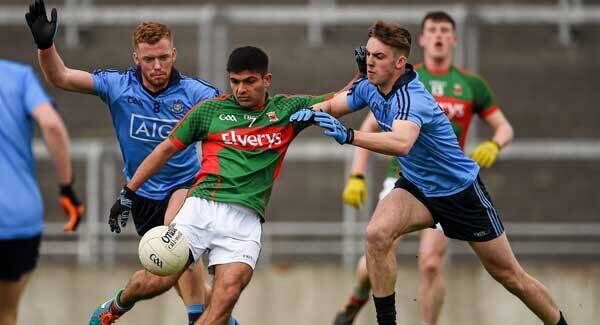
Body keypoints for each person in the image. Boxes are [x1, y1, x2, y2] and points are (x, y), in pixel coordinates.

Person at [290, 20, 567, 325]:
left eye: (379, 57)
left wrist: (349, 136)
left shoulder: (413, 97)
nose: (369, 62)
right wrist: (292, 118)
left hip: (459, 192)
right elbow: (333, 104)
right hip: (417, 187)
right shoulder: (369, 86)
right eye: (367, 54)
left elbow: (401, 142)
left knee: (510, 276)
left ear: (399, 62)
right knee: (376, 234)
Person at [86, 45, 340, 325]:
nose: (240, 89)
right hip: (201, 208)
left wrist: (366, 74)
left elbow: (344, 100)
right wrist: (128, 192)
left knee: (223, 302)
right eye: (235, 81)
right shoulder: (211, 110)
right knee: (154, 282)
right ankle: (118, 305)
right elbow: (164, 150)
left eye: (249, 81)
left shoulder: (287, 110)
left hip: (244, 223)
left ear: (266, 80)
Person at [25, 1, 221, 323]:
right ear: (136, 59)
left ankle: (195, 318)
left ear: (174, 54)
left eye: (163, 57)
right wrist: (46, 46)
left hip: (185, 185)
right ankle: (125, 304)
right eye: (149, 59)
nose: (157, 65)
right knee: (167, 277)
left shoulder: (197, 94)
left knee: (178, 241)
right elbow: (60, 76)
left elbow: (234, 119)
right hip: (142, 193)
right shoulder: (118, 86)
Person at [334, 11, 514, 325]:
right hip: (402, 177)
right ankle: (355, 301)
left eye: (446, 30)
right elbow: (369, 123)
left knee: (430, 263)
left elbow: (504, 128)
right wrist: (357, 175)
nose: (440, 36)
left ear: (454, 39)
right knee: (373, 253)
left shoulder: (470, 84)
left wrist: (494, 144)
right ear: (424, 39)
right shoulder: (398, 73)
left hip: (445, 182)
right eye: (433, 30)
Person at [0, 59, 83, 325]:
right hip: (16, 219)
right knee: (6, 313)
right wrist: (66, 187)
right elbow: (51, 125)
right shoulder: (17, 76)